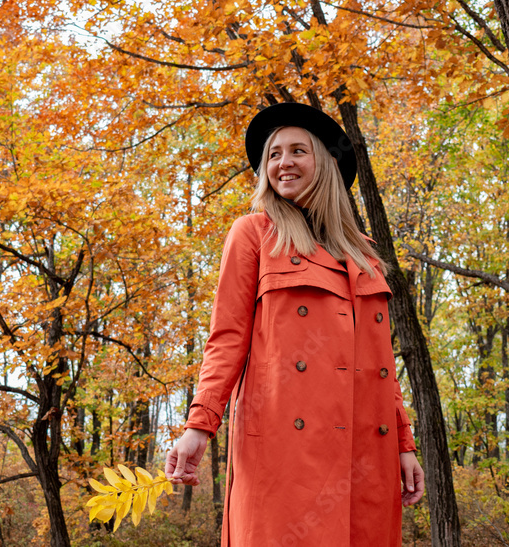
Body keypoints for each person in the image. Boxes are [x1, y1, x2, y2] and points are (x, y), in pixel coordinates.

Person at [165, 103, 424, 546]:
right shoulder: (253, 234)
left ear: (324, 162)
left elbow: (382, 366)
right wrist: (198, 426)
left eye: (297, 151)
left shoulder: (364, 252)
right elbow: (226, 340)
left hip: (366, 453)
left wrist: (403, 444)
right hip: (285, 449)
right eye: (274, 154)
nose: (284, 163)